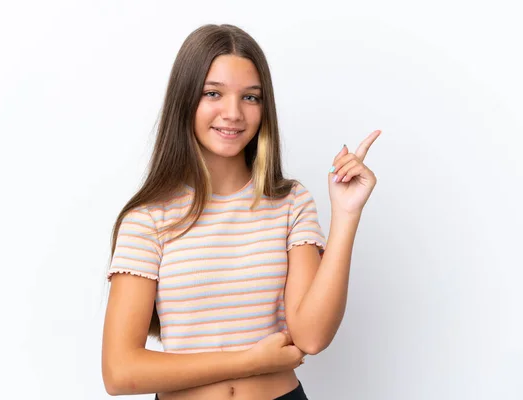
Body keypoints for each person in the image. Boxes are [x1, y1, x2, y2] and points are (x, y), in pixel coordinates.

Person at [101, 23, 381, 399]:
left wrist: (346, 215)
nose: (233, 113)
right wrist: (249, 361)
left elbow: (311, 337)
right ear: (185, 100)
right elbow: (120, 372)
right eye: (213, 93)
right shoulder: (149, 219)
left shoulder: (291, 203)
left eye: (250, 97)